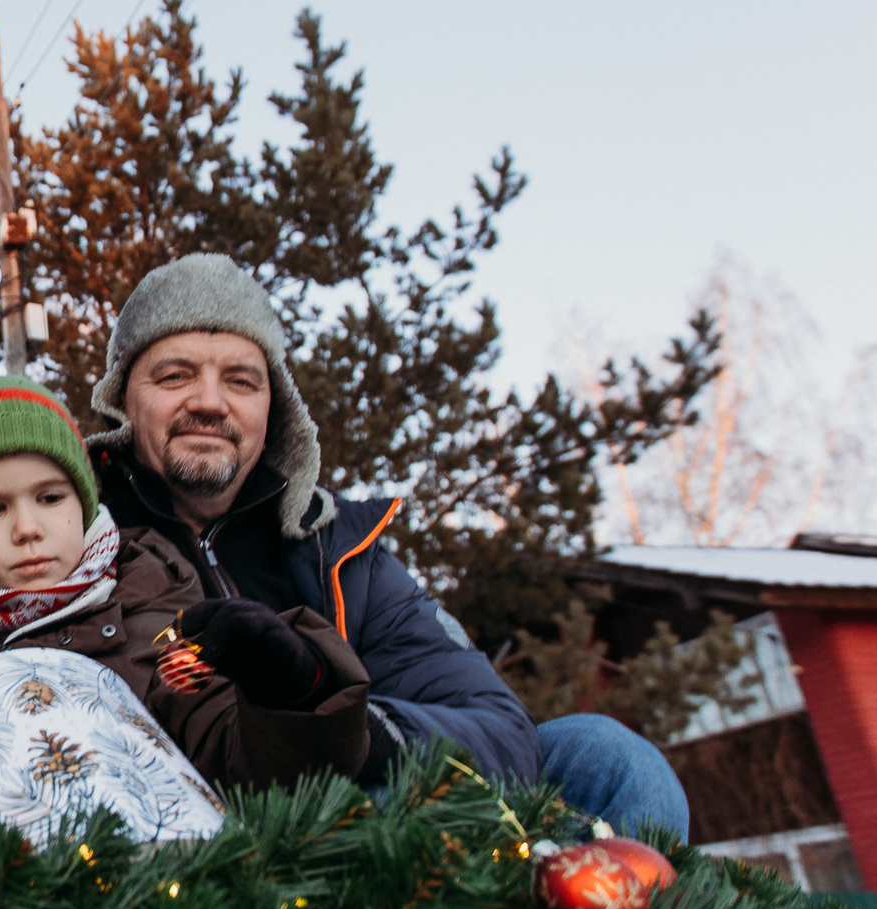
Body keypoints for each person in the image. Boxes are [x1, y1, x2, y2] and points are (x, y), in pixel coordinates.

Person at [82, 253, 692, 840]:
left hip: (370, 790)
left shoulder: (343, 551)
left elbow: (503, 730)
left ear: (275, 409)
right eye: (176, 375)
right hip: (190, 823)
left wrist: (341, 728)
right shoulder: (68, 534)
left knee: (610, 761)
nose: (210, 403)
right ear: (122, 399)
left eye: (241, 380)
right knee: (343, 813)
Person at [0, 376, 372, 791]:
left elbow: (234, 752)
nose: (27, 528)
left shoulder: (157, 622)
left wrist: (290, 689)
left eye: (51, 498)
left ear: (85, 505)